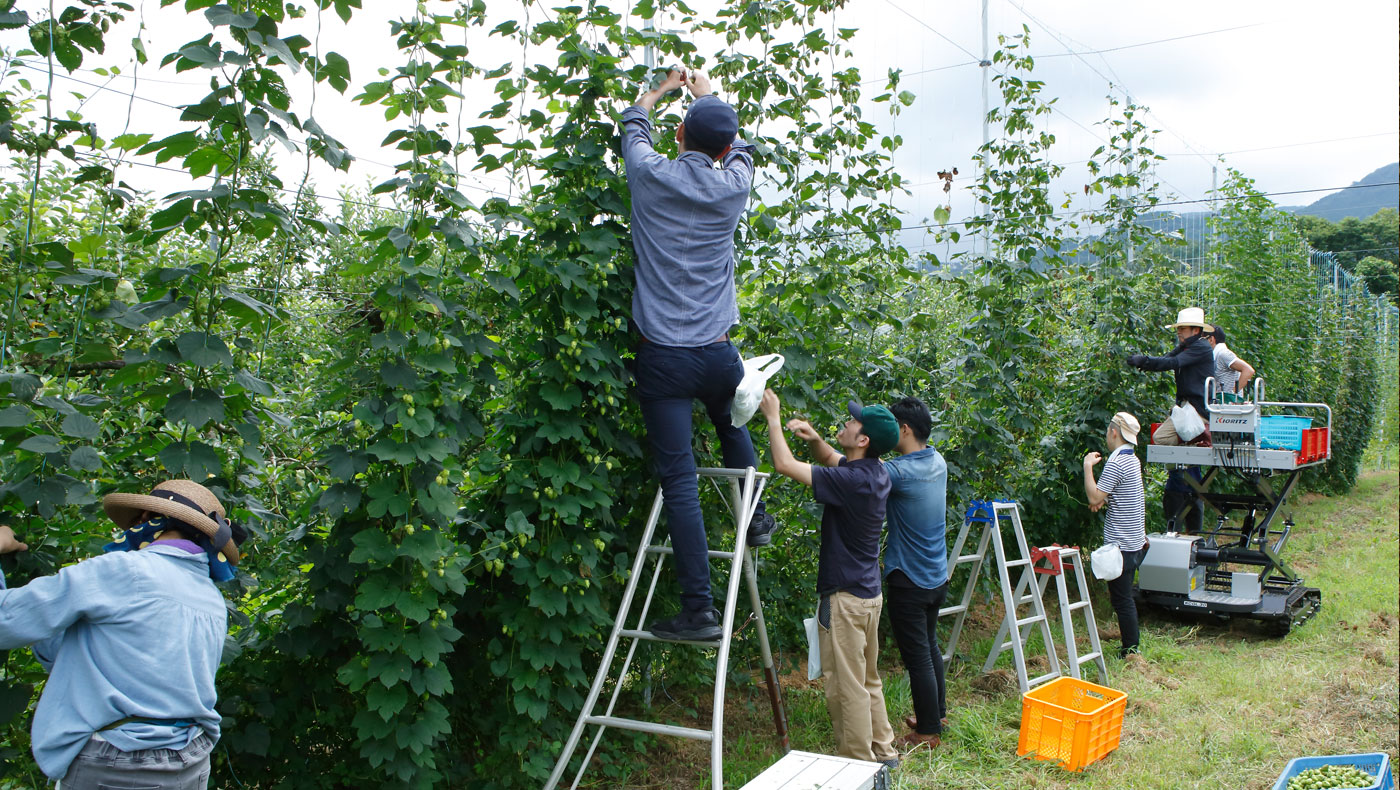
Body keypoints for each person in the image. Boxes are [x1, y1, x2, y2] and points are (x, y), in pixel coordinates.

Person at [621, 67, 776, 641]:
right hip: (715, 352)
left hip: (663, 355)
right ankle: (754, 517)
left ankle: (699, 611)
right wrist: (708, 92)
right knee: (732, 413)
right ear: (726, 146)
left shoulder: (649, 174)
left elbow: (633, 124)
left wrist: (662, 88)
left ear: (680, 135)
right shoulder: (735, 182)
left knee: (679, 480)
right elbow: (745, 149)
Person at [0, 479, 249, 789]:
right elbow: (99, 655)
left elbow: (6, 620)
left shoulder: (123, 571)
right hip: (191, 756)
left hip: (119, 761)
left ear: (146, 520)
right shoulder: (211, 598)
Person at [759, 389, 902, 769]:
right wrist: (817, 438)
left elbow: (785, 465)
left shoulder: (851, 482)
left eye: (853, 421)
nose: (847, 421)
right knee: (868, 679)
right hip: (868, 596)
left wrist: (773, 418)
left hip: (845, 599)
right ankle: (884, 754)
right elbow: (832, 459)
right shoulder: (875, 472)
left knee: (845, 688)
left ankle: (857, 767)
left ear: (863, 439)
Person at [879, 397, 949, 751]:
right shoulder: (937, 461)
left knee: (917, 656)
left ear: (904, 430)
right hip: (937, 577)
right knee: (930, 647)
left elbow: (851, 470)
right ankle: (936, 714)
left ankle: (927, 732)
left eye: (891, 425)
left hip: (909, 580)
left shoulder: (900, 472)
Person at [1082, 413, 1148, 658]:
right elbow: (1116, 494)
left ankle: (1130, 649)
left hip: (1122, 545)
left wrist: (1088, 467)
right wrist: (1104, 497)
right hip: (1135, 540)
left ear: (1113, 432)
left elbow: (1093, 497)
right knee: (1123, 596)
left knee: (1122, 600)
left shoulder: (1116, 462)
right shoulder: (1132, 460)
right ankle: (1131, 645)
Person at [1126, 306, 1215, 446]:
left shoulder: (1201, 347)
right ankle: (1195, 441)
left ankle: (1198, 435)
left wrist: (1143, 360)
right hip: (1187, 406)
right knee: (1164, 442)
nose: (1178, 332)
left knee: (1161, 438)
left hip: (1197, 408)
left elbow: (1173, 362)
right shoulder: (1185, 346)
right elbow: (1166, 359)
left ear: (1196, 330)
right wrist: (1143, 363)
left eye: (1183, 328)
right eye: (1178, 328)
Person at [1206, 326, 1255, 397]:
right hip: (1221, 403)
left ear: (1211, 339)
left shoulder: (1223, 354)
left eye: (1203, 339)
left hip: (1230, 405)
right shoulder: (1216, 355)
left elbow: (1248, 370)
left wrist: (1233, 393)